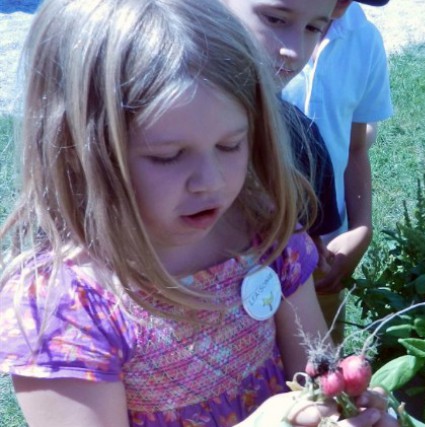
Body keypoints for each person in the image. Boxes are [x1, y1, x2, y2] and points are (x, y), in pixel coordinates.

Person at [0, 0, 394, 426]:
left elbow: (315, 376)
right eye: (168, 156)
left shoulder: (265, 235)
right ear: (81, 151)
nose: (212, 181)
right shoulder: (65, 310)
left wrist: (342, 411)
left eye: (231, 145)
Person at [281, 0, 394, 339]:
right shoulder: (265, 34)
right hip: (253, 247)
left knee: (321, 361)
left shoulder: (364, 40)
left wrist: (361, 227)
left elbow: (355, 146)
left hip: (325, 249)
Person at [222, 0, 342, 256]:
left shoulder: (304, 142)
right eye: (275, 19)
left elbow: (310, 252)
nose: (295, 52)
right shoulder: (144, 120)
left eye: (313, 28)